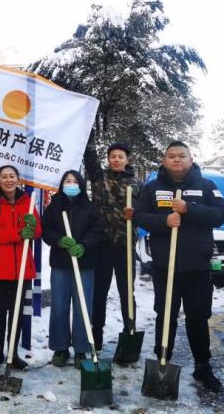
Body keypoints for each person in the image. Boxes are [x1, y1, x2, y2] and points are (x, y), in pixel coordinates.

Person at [134, 141, 224, 392]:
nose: (176, 160)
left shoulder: (206, 186)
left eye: (181, 156)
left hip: (197, 268)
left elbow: (220, 215)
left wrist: (190, 209)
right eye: (171, 156)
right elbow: (140, 216)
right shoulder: (153, 188)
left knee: (198, 317)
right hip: (166, 267)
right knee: (165, 315)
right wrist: (164, 220)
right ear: (164, 160)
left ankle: (203, 365)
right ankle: (162, 359)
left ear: (190, 158)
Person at [83, 135, 142, 353]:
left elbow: (145, 214)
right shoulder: (99, 178)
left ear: (127, 159)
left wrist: (136, 215)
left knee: (127, 292)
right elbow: (89, 159)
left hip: (126, 248)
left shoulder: (137, 184)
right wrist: (88, 135)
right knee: (99, 293)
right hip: (102, 247)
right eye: (113, 156)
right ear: (108, 159)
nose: (116, 160)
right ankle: (96, 334)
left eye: (120, 156)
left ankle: (130, 333)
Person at [0, 165, 41, 371]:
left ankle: (13, 353)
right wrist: (18, 233)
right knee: (0, 310)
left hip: (22, 267)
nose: (8, 180)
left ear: (18, 179)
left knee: (16, 311)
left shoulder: (28, 201)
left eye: (12, 176)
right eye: (4, 177)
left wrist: (33, 226)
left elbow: (37, 231)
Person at [42, 170, 105, 368]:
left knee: (82, 307)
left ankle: (81, 349)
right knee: (59, 306)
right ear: (62, 185)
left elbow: (98, 231)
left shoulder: (90, 208)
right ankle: (60, 348)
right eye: (67, 181)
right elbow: (46, 231)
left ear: (81, 184)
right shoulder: (53, 207)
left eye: (74, 181)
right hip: (60, 264)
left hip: (85, 264)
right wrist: (59, 240)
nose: (71, 184)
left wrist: (84, 245)